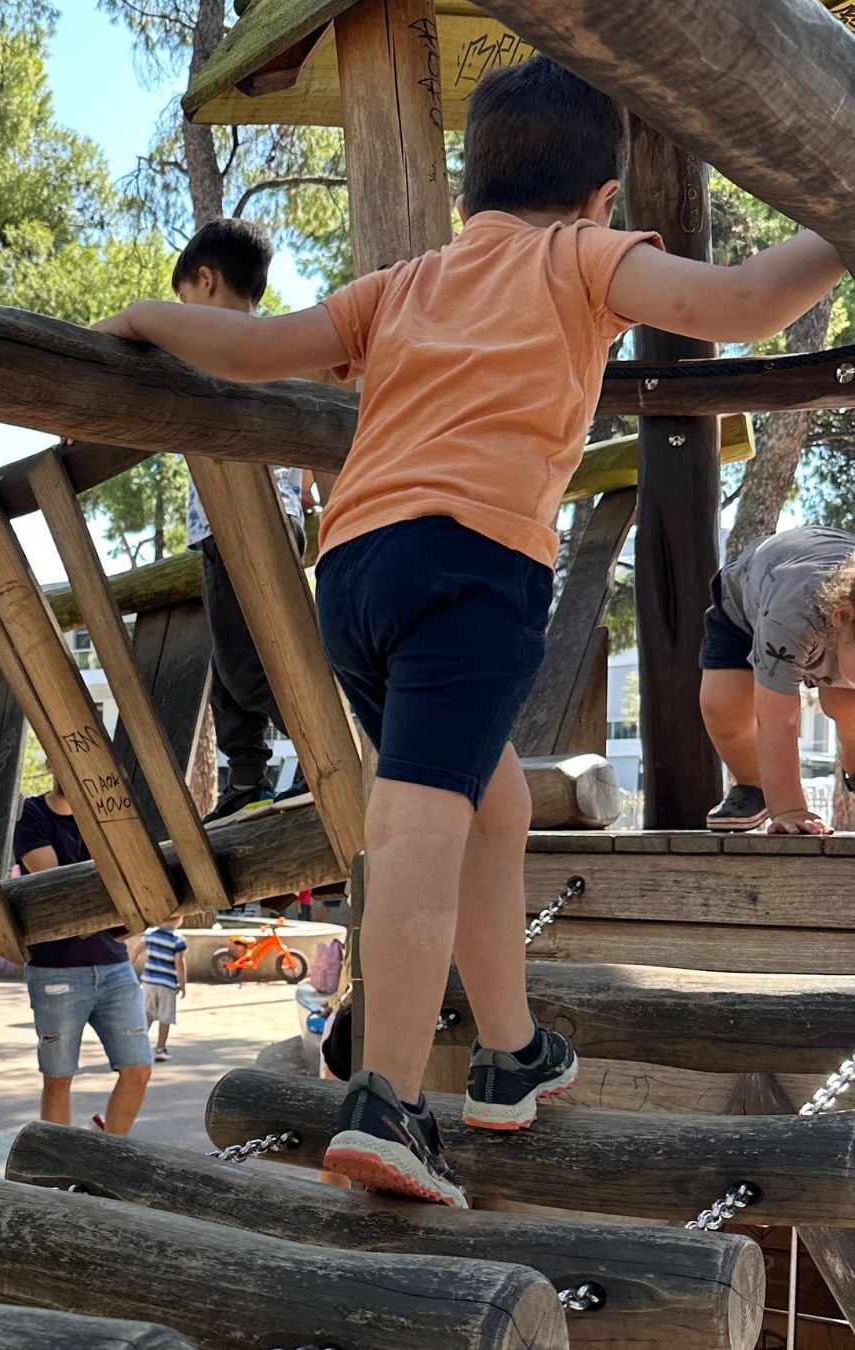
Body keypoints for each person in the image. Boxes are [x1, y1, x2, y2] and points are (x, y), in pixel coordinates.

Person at [92, 57, 842, 1204]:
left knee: (489, 801)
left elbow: (251, 348)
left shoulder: (405, 282)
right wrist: (841, 221)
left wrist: (147, 316)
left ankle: (510, 1052)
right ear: (601, 197)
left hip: (353, 575)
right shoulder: (581, 256)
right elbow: (743, 303)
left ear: (466, 188)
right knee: (417, 821)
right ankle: (386, 1101)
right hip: (472, 568)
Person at [176, 219, 317, 823]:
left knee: (247, 665)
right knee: (228, 661)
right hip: (268, 516)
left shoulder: (207, 343)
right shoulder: (279, 347)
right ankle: (248, 777)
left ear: (206, 281)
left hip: (236, 518)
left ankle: (322, 753)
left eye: (186, 298)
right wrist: (305, 489)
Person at [14, 779, 152, 1133]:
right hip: (55, 969)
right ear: (50, 763)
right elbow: (57, 884)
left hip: (115, 964)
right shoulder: (31, 813)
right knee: (58, 1077)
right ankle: (59, 1161)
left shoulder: (103, 816)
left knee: (138, 1069)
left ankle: (109, 1152)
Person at [699, 527, 855, 834]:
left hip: (827, 607)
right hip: (745, 611)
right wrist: (789, 809)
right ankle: (752, 783)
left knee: (848, 706)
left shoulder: (847, 631)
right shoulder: (790, 617)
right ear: (843, 618)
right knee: (723, 706)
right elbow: (778, 721)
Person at [139, 913, 188, 1062]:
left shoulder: (149, 934)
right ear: (179, 919)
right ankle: (160, 1049)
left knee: (146, 1014)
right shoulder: (178, 939)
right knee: (165, 1017)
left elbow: (136, 951)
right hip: (167, 983)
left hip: (148, 981)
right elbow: (179, 964)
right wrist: (183, 984)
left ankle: (138, 1048)